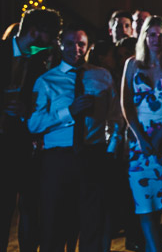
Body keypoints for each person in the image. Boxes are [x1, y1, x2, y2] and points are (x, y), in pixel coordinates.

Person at [28, 24, 123, 252]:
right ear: (61, 45)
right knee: (55, 223)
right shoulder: (46, 81)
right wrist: (68, 112)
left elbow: (116, 116)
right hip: (58, 158)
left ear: (89, 46)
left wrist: (111, 148)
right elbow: (33, 123)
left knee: (93, 223)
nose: (76, 49)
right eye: (70, 43)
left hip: (93, 155)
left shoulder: (102, 75)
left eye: (81, 44)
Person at [121, 16, 162, 252]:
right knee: (144, 205)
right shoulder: (132, 64)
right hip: (138, 145)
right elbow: (126, 104)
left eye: (161, 35)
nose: (156, 39)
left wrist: (159, 138)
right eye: (152, 34)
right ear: (144, 37)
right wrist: (140, 137)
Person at [1, 9, 61, 252]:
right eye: (52, 35)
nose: (53, 42)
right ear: (35, 32)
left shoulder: (38, 61)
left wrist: (26, 110)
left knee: (29, 206)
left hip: (23, 144)